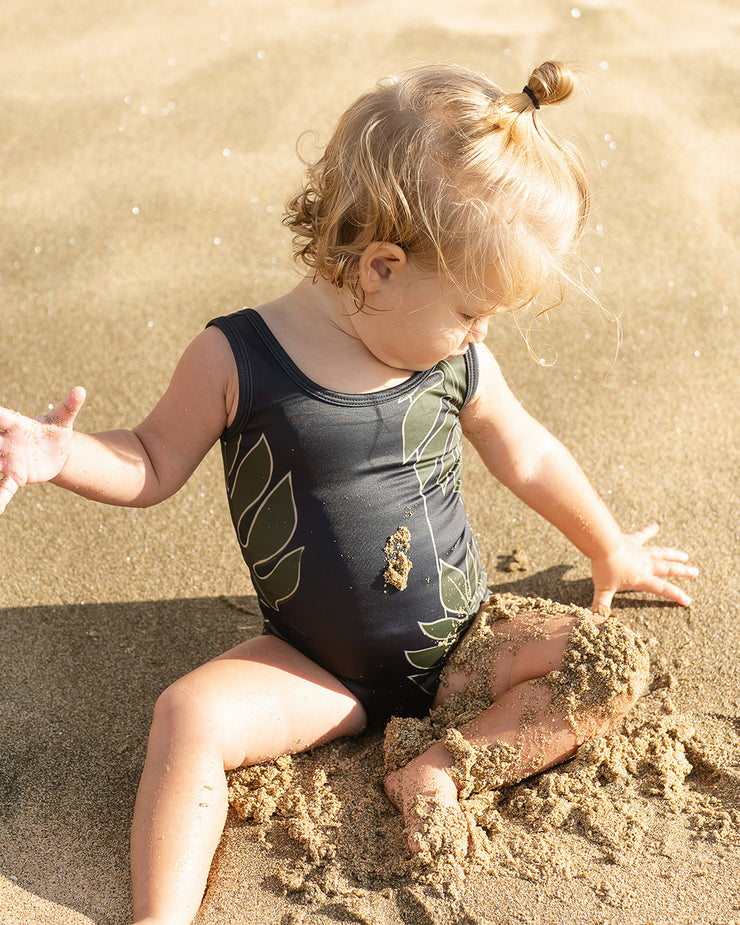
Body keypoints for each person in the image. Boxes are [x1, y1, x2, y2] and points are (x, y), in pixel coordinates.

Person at [0, 60, 696, 925]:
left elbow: (526, 452)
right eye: (471, 309)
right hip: (316, 668)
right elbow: (149, 459)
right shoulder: (239, 357)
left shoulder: (455, 357)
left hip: (464, 648)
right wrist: (55, 453)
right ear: (379, 268)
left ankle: (443, 761)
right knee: (187, 717)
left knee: (605, 664)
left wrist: (609, 547)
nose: (478, 334)